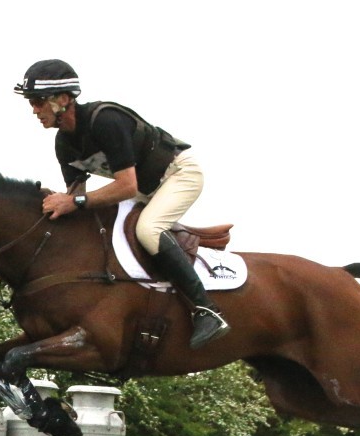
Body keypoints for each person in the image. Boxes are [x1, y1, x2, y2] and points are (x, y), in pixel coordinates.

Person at [14, 59, 230, 350]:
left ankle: (207, 310)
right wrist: (54, 202)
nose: (34, 110)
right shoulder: (63, 144)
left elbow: (124, 186)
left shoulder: (105, 120)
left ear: (63, 100)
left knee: (149, 230)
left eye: (38, 102)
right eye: (32, 102)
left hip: (178, 174)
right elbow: (77, 194)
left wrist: (74, 201)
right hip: (143, 188)